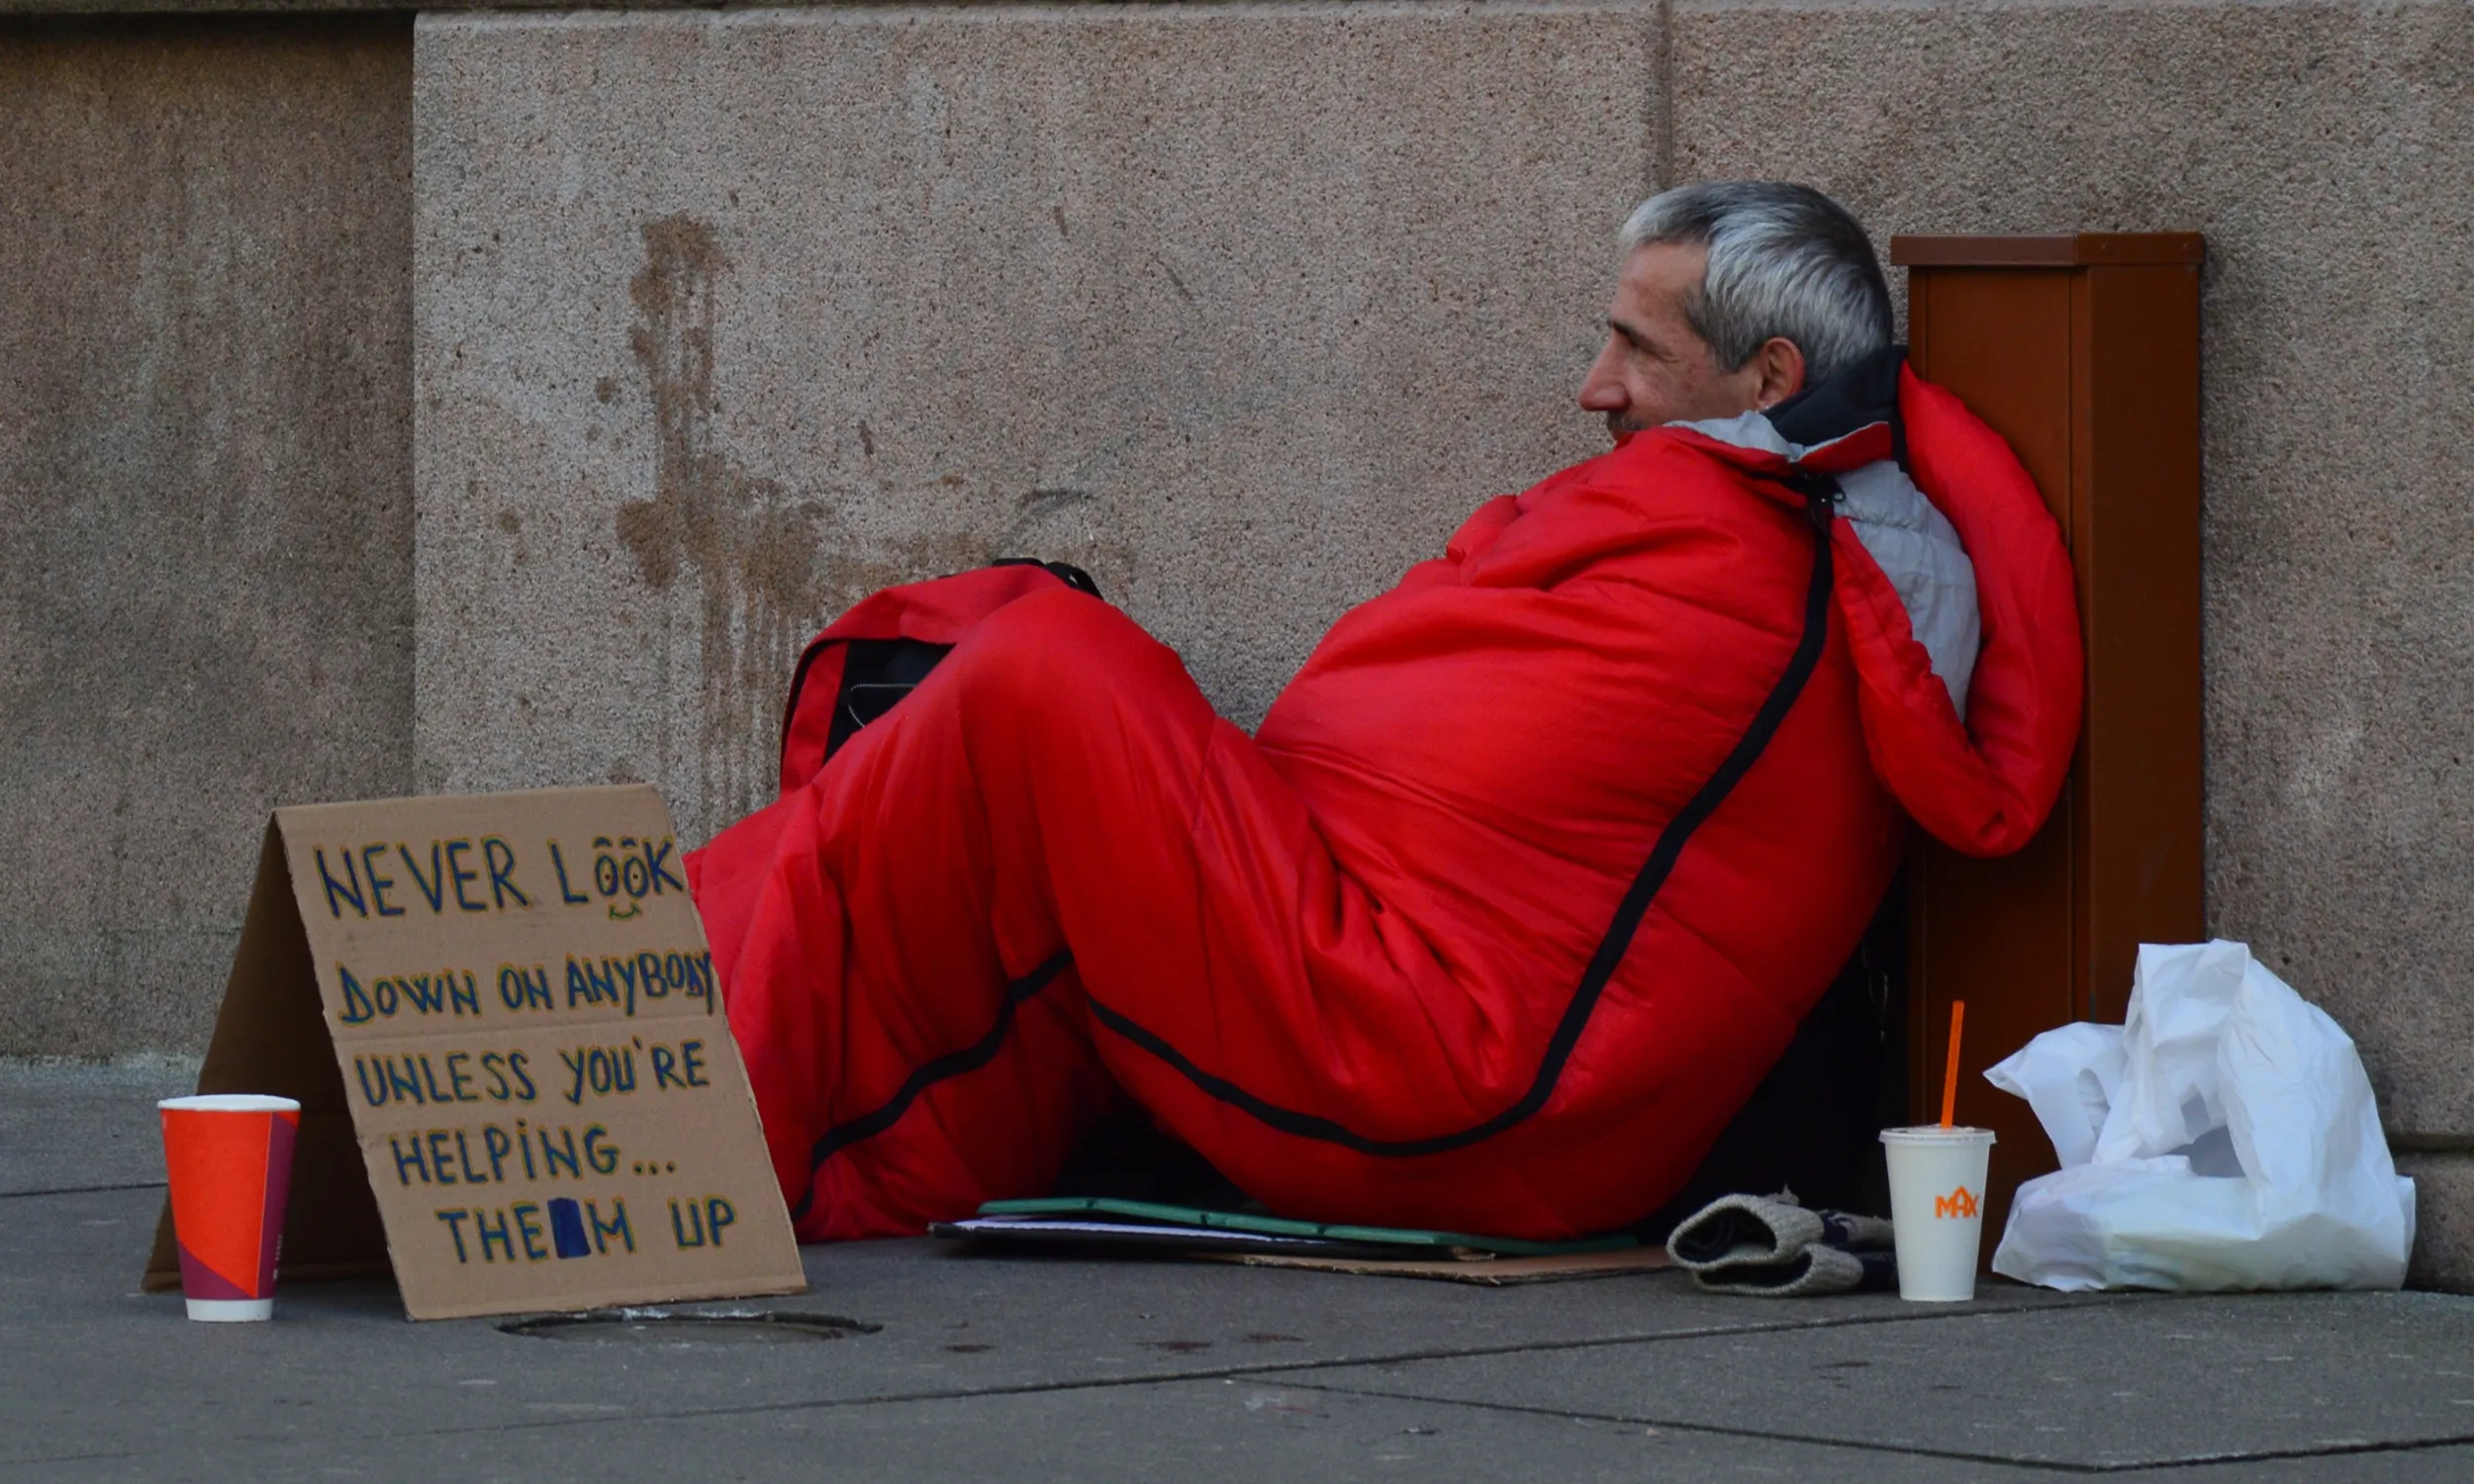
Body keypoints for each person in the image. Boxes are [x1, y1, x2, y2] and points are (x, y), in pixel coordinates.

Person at [687, 181, 2082, 1243]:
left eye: (1636, 353)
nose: (1594, 390)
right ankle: (656, 991)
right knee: (994, 683)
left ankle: (687, 1108)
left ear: (1770, 379)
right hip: (1409, 1005)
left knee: (1046, 671)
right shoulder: (1753, 539)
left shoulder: (1766, 574)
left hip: (1451, 1078)